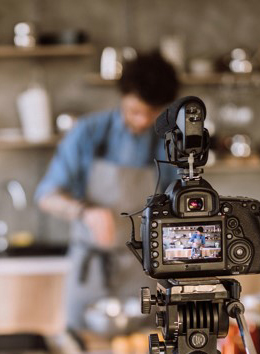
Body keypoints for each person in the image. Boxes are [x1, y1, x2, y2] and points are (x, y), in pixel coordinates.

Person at [35, 51, 180, 328]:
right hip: (90, 267)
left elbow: (176, 202)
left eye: (151, 114)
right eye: (135, 111)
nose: (141, 121)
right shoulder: (88, 132)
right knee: (84, 348)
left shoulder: (167, 143)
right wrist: (85, 212)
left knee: (141, 352)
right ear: (123, 95)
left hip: (142, 269)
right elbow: (46, 196)